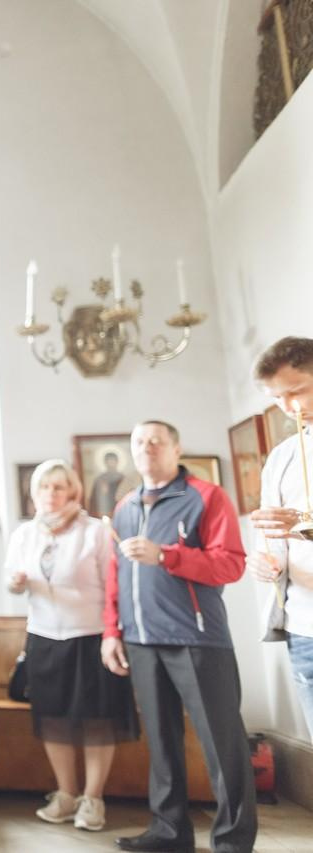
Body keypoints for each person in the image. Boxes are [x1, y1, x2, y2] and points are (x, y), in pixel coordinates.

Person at [102, 420, 256, 853]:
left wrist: (167, 555)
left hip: (198, 640)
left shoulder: (208, 497)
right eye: (138, 441)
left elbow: (230, 564)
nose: (146, 447)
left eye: (156, 440)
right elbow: (116, 575)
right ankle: (169, 833)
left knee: (222, 746)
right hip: (140, 642)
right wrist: (112, 632)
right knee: (163, 744)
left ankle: (233, 842)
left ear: (176, 448)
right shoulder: (125, 507)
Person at [5, 460, 139, 832]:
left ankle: (92, 799)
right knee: (54, 721)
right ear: (34, 494)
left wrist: (114, 634)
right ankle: (65, 793)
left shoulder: (93, 531)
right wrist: (15, 582)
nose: (51, 495)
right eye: (44, 488)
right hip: (44, 637)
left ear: (73, 492)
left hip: (91, 636)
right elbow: (10, 581)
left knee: (97, 721)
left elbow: (114, 584)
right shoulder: (24, 535)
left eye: (58, 487)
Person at [249, 336, 313, 737]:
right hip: (304, 625)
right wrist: (264, 560)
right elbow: (273, 535)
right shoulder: (282, 456)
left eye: (298, 391)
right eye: (277, 398)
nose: (290, 407)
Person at [90, 451, 128, 517]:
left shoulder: (123, 479)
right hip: (104, 516)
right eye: (109, 461)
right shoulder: (100, 480)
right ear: (105, 463)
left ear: (117, 462)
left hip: (122, 514)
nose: (111, 463)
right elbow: (93, 502)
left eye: (113, 461)